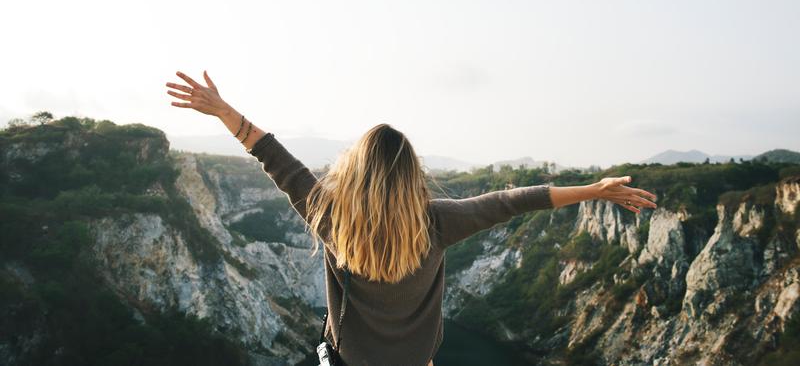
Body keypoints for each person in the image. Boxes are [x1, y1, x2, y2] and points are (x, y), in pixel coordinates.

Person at [166, 70, 658, 366]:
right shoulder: (438, 222)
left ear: (353, 172)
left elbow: (274, 158)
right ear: (412, 175)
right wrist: (595, 190)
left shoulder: (331, 217)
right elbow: (515, 200)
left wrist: (224, 111)